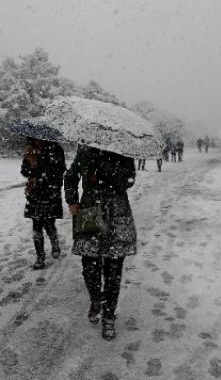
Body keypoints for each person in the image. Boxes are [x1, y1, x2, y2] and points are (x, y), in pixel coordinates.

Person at [64, 146, 137, 341]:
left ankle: (109, 316)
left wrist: (104, 171)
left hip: (117, 215)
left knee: (113, 270)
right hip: (90, 212)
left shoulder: (123, 152)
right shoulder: (85, 151)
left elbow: (129, 180)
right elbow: (70, 176)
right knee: (89, 266)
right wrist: (72, 200)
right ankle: (96, 298)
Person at [21, 137, 66, 269]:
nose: (37, 140)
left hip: (51, 193)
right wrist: (32, 169)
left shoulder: (56, 150)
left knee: (49, 223)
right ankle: (40, 257)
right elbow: (24, 171)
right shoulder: (30, 151)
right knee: (36, 225)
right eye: (35, 139)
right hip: (34, 193)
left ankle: (55, 243)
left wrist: (46, 174)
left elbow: (61, 169)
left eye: (39, 138)